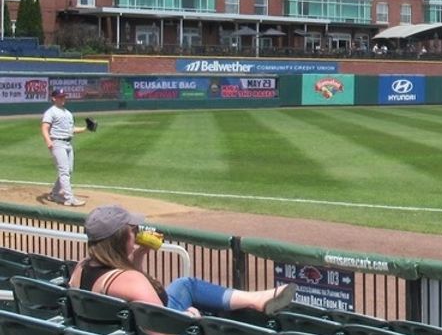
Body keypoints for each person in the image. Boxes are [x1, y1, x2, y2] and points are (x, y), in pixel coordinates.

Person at [70, 204, 297, 318]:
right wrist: (185, 317)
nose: (137, 232)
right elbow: (161, 328)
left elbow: (126, 289)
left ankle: (256, 298)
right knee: (187, 285)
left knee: (183, 283)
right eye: (133, 230)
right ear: (121, 239)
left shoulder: (81, 268)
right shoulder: (130, 280)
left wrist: (139, 254)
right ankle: (256, 299)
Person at [41, 88, 87, 206]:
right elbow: (45, 128)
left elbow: (71, 130)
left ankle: (55, 194)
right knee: (64, 172)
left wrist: (85, 129)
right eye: (60, 97)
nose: (63, 99)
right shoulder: (51, 112)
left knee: (68, 171)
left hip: (68, 144)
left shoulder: (67, 113)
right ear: (54, 98)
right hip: (57, 143)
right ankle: (69, 198)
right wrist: (48, 141)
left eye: (64, 97)